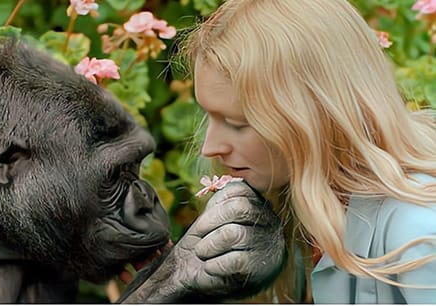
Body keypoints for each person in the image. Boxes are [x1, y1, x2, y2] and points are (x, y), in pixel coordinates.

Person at [181, 0, 436, 303]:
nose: (210, 148)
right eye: (209, 116)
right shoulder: (301, 213)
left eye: (238, 124)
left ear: (318, 115)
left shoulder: (417, 232)